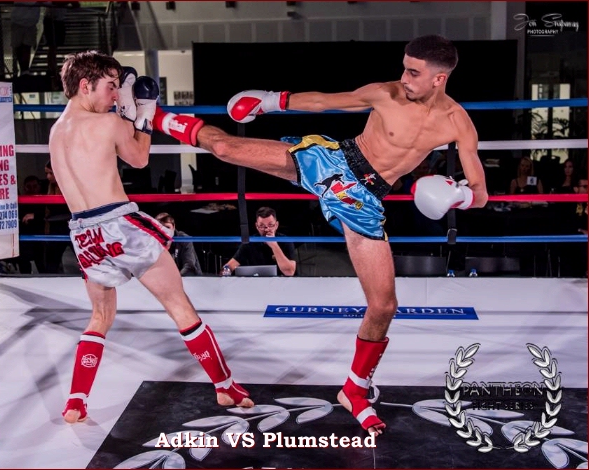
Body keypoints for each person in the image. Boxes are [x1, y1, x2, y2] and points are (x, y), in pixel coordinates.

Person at [152, 35, 488, 435]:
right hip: (331, 163)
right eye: (404, 67)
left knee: (383, 306)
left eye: (413, 72)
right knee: (225, 148)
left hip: (364, 200)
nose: (404, 77)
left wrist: (459, 196)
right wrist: (271, 101)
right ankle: (155, 117)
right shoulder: (386, 93)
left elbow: (481, 192)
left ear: (439, 78)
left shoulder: (457, 122)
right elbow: (325, 101)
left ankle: (354, 390)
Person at [48, 51, 253, 424]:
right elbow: (140, 158)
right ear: (85, 85)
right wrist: (144, 112)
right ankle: (225, 386)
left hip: (85, 235)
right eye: (110, 86)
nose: (115, 94)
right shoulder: (107, 123)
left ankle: (76, 401)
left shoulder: (56, 131)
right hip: (119, 225)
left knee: (100, 316)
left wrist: (126, 114)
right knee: (180, 306)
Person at [224, 206, 297, 276]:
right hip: (256, 282)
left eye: (270, 225)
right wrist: (226, 271)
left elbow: (289, 272)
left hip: (281, 283)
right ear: (257, 226)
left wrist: (274, 245)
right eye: (261, 226)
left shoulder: (286, 241)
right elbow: (229, 266)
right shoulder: (249, 243)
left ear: (276, 225)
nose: (266, 229)